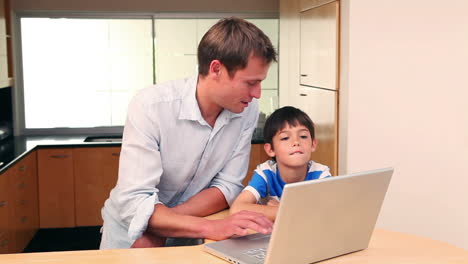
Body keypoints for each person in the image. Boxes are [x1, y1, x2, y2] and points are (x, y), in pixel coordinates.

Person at [99, 17, 277, 249]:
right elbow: (136, 201)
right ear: (216, 69)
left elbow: (228, 186)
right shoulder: (150, 106)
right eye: (250, 82)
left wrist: (164, 226)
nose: (257, 94)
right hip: (133, 238)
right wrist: (212, 228)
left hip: (187, 235)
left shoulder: (247, 111)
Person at [230, 106, 331, 221]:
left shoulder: (320, 174)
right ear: (270, 149)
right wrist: (286, 211)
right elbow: (237, 208)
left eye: (303, 136)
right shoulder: (266, 173)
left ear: (313, 144)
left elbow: (330, 212)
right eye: (285, 138)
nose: (296, 142)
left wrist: (283, 209)